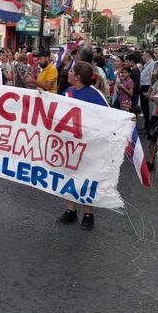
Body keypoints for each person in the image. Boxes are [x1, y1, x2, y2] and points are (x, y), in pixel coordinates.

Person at [58, 61, 109, 230]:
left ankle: (88, 213)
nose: (69, 73)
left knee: (87, 177)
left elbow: (109, 116)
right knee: (70, 175)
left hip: (89, 144)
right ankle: (71, 210)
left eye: (71, 71)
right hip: (70, 143)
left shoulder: (94, 94)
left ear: (78, 77)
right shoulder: (68, 92)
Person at [139, 50, 155, 129]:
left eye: (143, 55)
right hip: (143, 86)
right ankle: (146, 124)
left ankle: (148, 126)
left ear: (147, 56)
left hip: (147, 86)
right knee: (144, 107)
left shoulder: (152, 64)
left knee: (147, 108)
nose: (142, 57)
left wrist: (149, 90)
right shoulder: (146, 64)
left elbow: (152, 77)